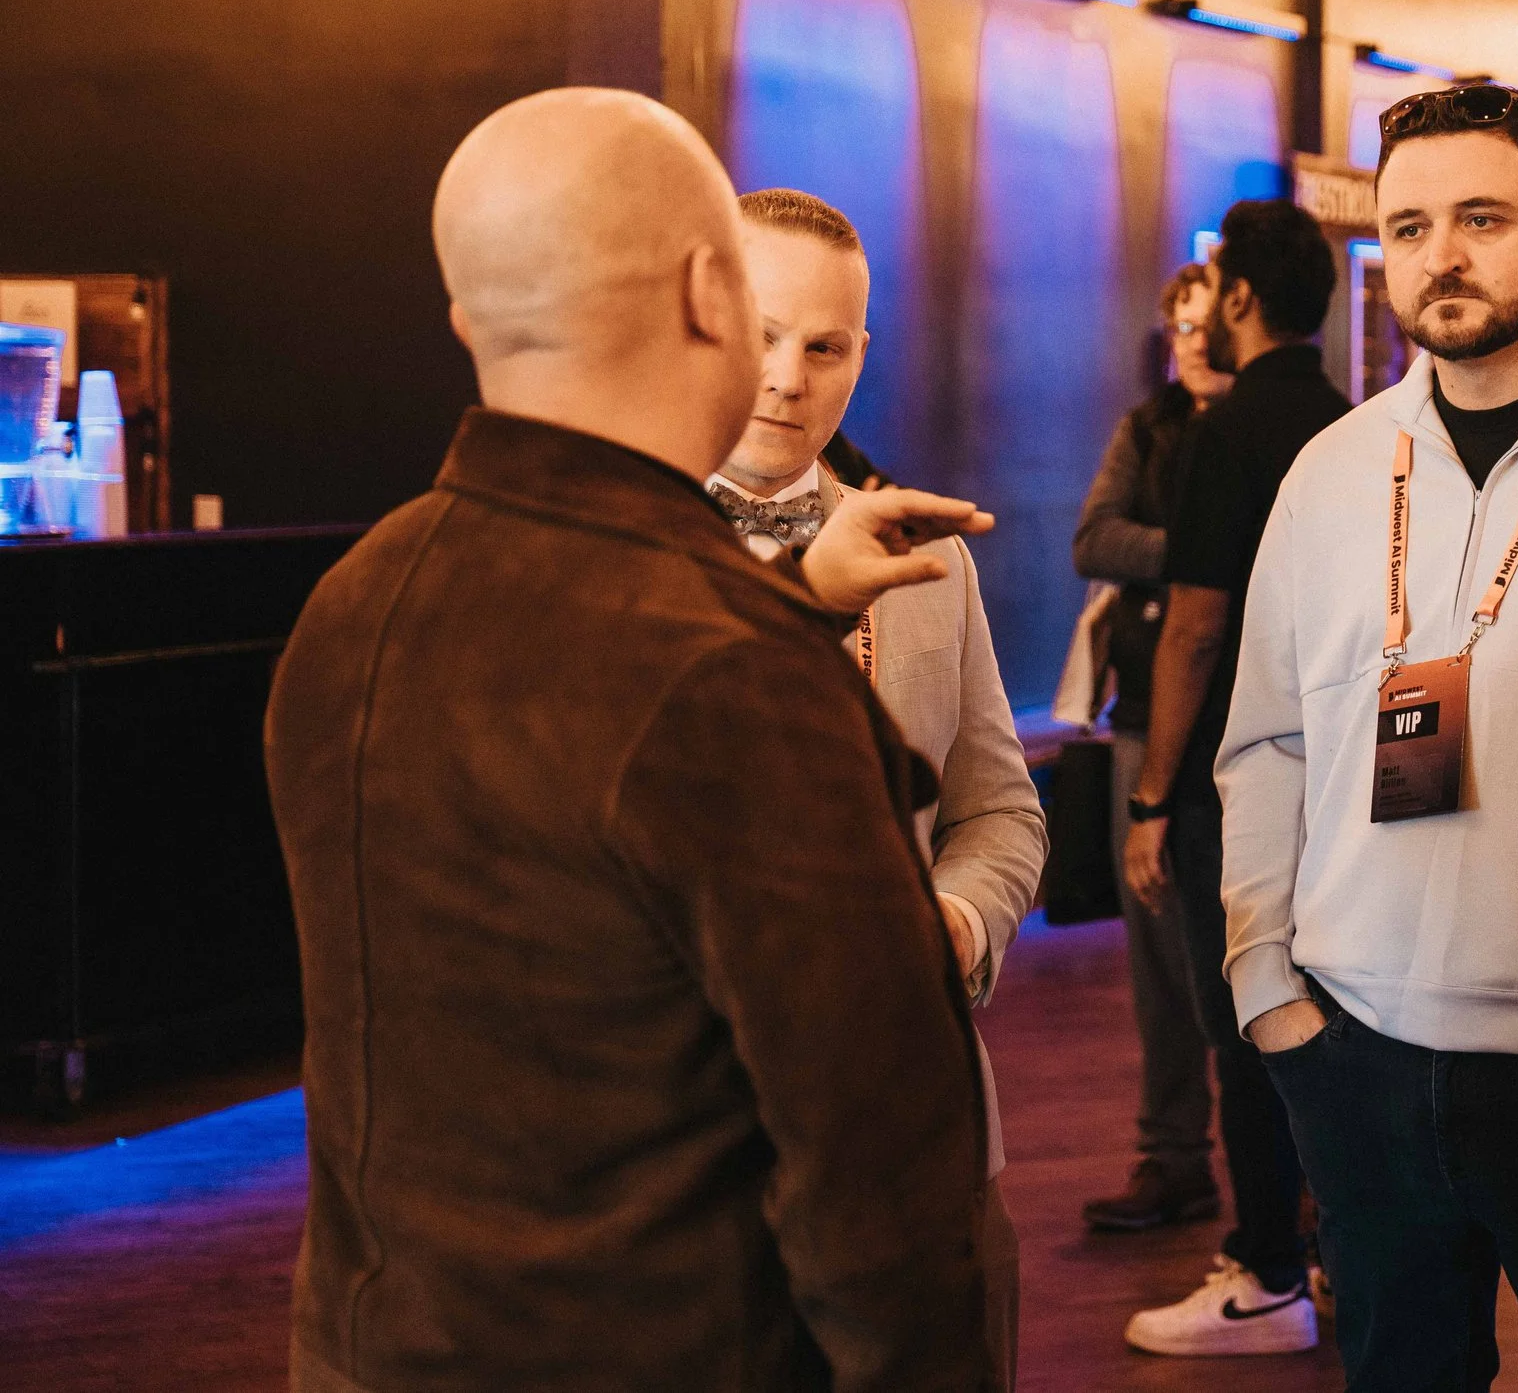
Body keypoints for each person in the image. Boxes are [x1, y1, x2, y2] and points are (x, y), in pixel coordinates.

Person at [263, 87, 1000, 1393]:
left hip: (375, 1345)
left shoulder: (354, 593)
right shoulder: (732, 667)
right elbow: (878, 1185)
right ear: (711, 293)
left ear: (467, 317)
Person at [1220, 85, 1518, 1392]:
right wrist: (1269, 990)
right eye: (1412, 224)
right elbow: (1265, 741)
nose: (1442, 254)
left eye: (1481, 217)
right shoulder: (1332, 466)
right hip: (1356, 1053)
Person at [705, 186, 1048, 1388]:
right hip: (696, 1157)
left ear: (862, 355)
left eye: (825, 345)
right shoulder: (621, 553)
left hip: (921, 1127)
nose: (787, 378)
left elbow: (999, 806)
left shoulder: (927, 555)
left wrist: (954, 921)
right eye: (759, 333)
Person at [1120, 201, 1348, 1357]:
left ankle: (1264, 1267)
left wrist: (1152, 796)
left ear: (1242, 298)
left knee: (1246, 1017)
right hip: (1345, 772)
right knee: (1338, 1014)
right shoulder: (1356, 425)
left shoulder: (1234, 430)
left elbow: (1194, 628)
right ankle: (1333, 1251)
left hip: (1235, 777)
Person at [1072, 264, 1232, 1234]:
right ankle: (1172, 1157)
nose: (1192, 345)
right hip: (1143, 717)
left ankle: (1288, 1181)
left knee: (1255, 958)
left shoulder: (1274, 430)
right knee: (1158, 956)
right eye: (1177, 329)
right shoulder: (1149, 427)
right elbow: (1094, 536)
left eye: (1207, 325)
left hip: (1254, 724)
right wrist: (1200, 555)